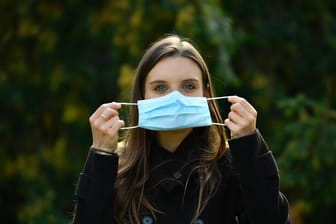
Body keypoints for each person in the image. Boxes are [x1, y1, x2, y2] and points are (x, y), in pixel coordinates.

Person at [73, 34, 291, 224]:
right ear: (142, 96)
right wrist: (101, 155)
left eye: (188, 86)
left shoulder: (228, 165)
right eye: (160, 88)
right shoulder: (119, 169)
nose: (175, 98)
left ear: (205, 95)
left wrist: (249, 145)